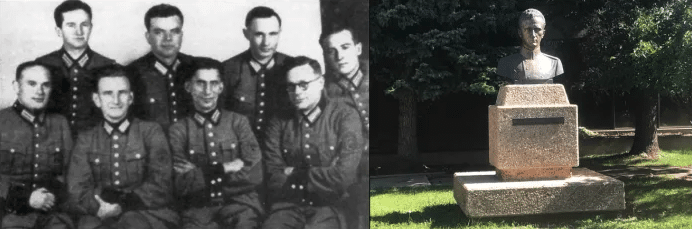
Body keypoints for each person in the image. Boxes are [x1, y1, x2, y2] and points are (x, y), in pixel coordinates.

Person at [65, 65, 178, 229]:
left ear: (131, 97)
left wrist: (122, 205)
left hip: (147, 214)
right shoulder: (86, 139)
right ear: (97, 100)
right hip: (99, 215)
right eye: (108, 93)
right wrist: (100, 207)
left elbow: (162, 184)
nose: (116, 100)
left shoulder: (151, 132)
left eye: (122, 93)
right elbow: (77, 189)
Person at [262, 56, 363, 229]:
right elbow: (272, 176)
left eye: (303, 84)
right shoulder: (278, 122)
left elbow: (343, 177)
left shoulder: (345, 115)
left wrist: (294, 173)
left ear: (320, 82)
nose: (297, 92)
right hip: (287, 206)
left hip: (330, 207)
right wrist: (324, 174)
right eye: (291, 86)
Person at [169, 58, 263, 228]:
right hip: (197, 209)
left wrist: (200, 175)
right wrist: (224, 169)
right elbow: (179, 183)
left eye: (213, 83)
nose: (207, 91)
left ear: (221, 87)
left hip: (240, 205)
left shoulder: (238, 122)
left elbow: (255, 173)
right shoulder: (178, 130)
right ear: (188, 87)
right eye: (200, 83)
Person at [0, 62, 74, 229]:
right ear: (16, 86)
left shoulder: (60, 123)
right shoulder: (1, 121)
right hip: (7, 213)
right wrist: (25, 198)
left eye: (45, 85)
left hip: (50, 215)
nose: (39, 91)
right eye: (32, 84)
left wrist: (51, 196)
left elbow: (70, 172)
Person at [35, 0, 116, 137]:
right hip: (51, 141)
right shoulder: (42, 65)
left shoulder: (108, 66)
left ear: (91, 27)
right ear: (59, 30)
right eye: (71, 25)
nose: (79, 31)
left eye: (84, 25)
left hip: (95, 143)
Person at [220, 6, 294, 142]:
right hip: (240, 148)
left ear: (280, 33)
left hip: (284, 148)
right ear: (246, 33)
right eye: (259, 34)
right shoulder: (228, 69)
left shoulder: (292, 66)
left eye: (273, 34)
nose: (266, 42)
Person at [320, 24, 369, 229]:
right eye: (331, 51)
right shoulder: (323, 91)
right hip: (351, 167)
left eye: (345, 47)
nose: (339, 55)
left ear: (358, 49)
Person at [127, 4, 196, 131]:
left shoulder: (196, 68)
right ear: (148, 37)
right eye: (159, 32)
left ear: (181, 35)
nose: (168, 39)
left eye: (174, 31)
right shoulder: (132, 73)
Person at [497, 8, 563, 84]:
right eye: (528, 29)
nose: (533, 34)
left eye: (537, 29)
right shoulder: (506, 64)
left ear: (543, 33)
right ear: (520, 33)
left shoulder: (554, 63)